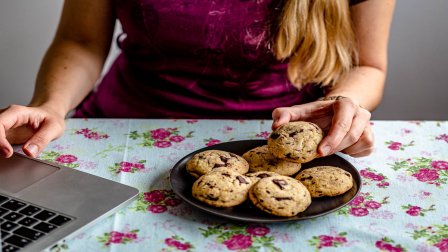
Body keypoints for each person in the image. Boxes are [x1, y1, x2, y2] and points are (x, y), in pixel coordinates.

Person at [0, 0, 395, 159]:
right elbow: (81, 40)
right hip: (120, 131)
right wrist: (50, 104)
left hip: (274, 140)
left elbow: (368, 66)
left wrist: (341, 104)